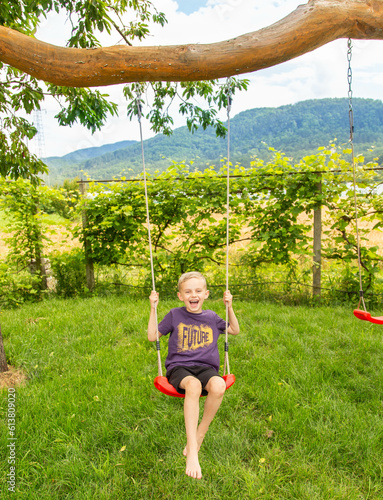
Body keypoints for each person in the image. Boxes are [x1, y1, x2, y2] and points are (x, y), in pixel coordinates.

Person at [148, 271, 240, 480]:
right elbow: (152, 336)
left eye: (198, 291)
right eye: (188, 291)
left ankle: (200, 435)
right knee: (194, 386)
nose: (193, 295)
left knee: (218, 385)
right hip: (180, 368)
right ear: (181, 296)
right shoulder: (174, 314)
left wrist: (230, 307)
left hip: (206, 368)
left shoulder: (212, 317)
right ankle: (192, 450)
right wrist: (152, 309)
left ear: (206, 294)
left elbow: (234, 330)